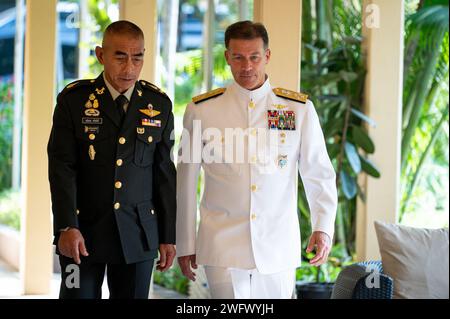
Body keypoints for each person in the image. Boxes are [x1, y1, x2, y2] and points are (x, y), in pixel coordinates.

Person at [176, 20, 337, 299]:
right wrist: (185, 242)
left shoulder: (297, 109)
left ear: (267, 56)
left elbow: (318, 173)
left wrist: (322, 228)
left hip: (277, 247)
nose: (246, 66)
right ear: (227, 57)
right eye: (238, 57)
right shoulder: (202, 110)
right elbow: (186, 180)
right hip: (221, 246)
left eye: (254, 57)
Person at [48, 20, 176, 299]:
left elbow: (164, 173)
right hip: (82, 234)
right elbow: (61, 168)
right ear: (101, 55)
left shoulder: (159, 105)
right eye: (120, 56)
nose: (129, 67)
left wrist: (168, 236)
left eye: (138, 57)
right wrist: (66, 226)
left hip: (138, 234)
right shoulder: (74, 101)